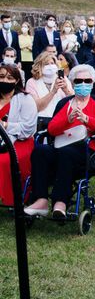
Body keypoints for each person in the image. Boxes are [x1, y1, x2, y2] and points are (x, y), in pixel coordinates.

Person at [25, 65, 95, 217]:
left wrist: (87, 119)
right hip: (62, 146)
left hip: (87, 150)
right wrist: (68, 119)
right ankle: (41, 199)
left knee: (66, 153)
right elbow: (51, 129)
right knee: (40, 150)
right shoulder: (65, 103)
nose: (83, 84)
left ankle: (60, 201)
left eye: (87, 80)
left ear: (92, 83)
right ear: (73, 82)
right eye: (79, 80)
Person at [0, 64, 37, 207]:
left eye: (9, 78)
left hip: (20, 142)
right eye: (1, 77)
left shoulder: (25, 99)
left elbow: (28, 128)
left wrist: (6, 126)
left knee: (3, 161)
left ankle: (11, 199)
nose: (5, 81)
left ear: (16, 81)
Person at [26, 52, 73, 127]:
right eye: (46, 64)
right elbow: (36, 107)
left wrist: (66, 90)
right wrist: (53, 91)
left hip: (61, 120)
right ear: (39, 66)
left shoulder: (64, 79)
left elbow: (73, 101)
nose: (50, 66)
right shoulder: (31, 82)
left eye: (52, 63)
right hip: (40, 122)